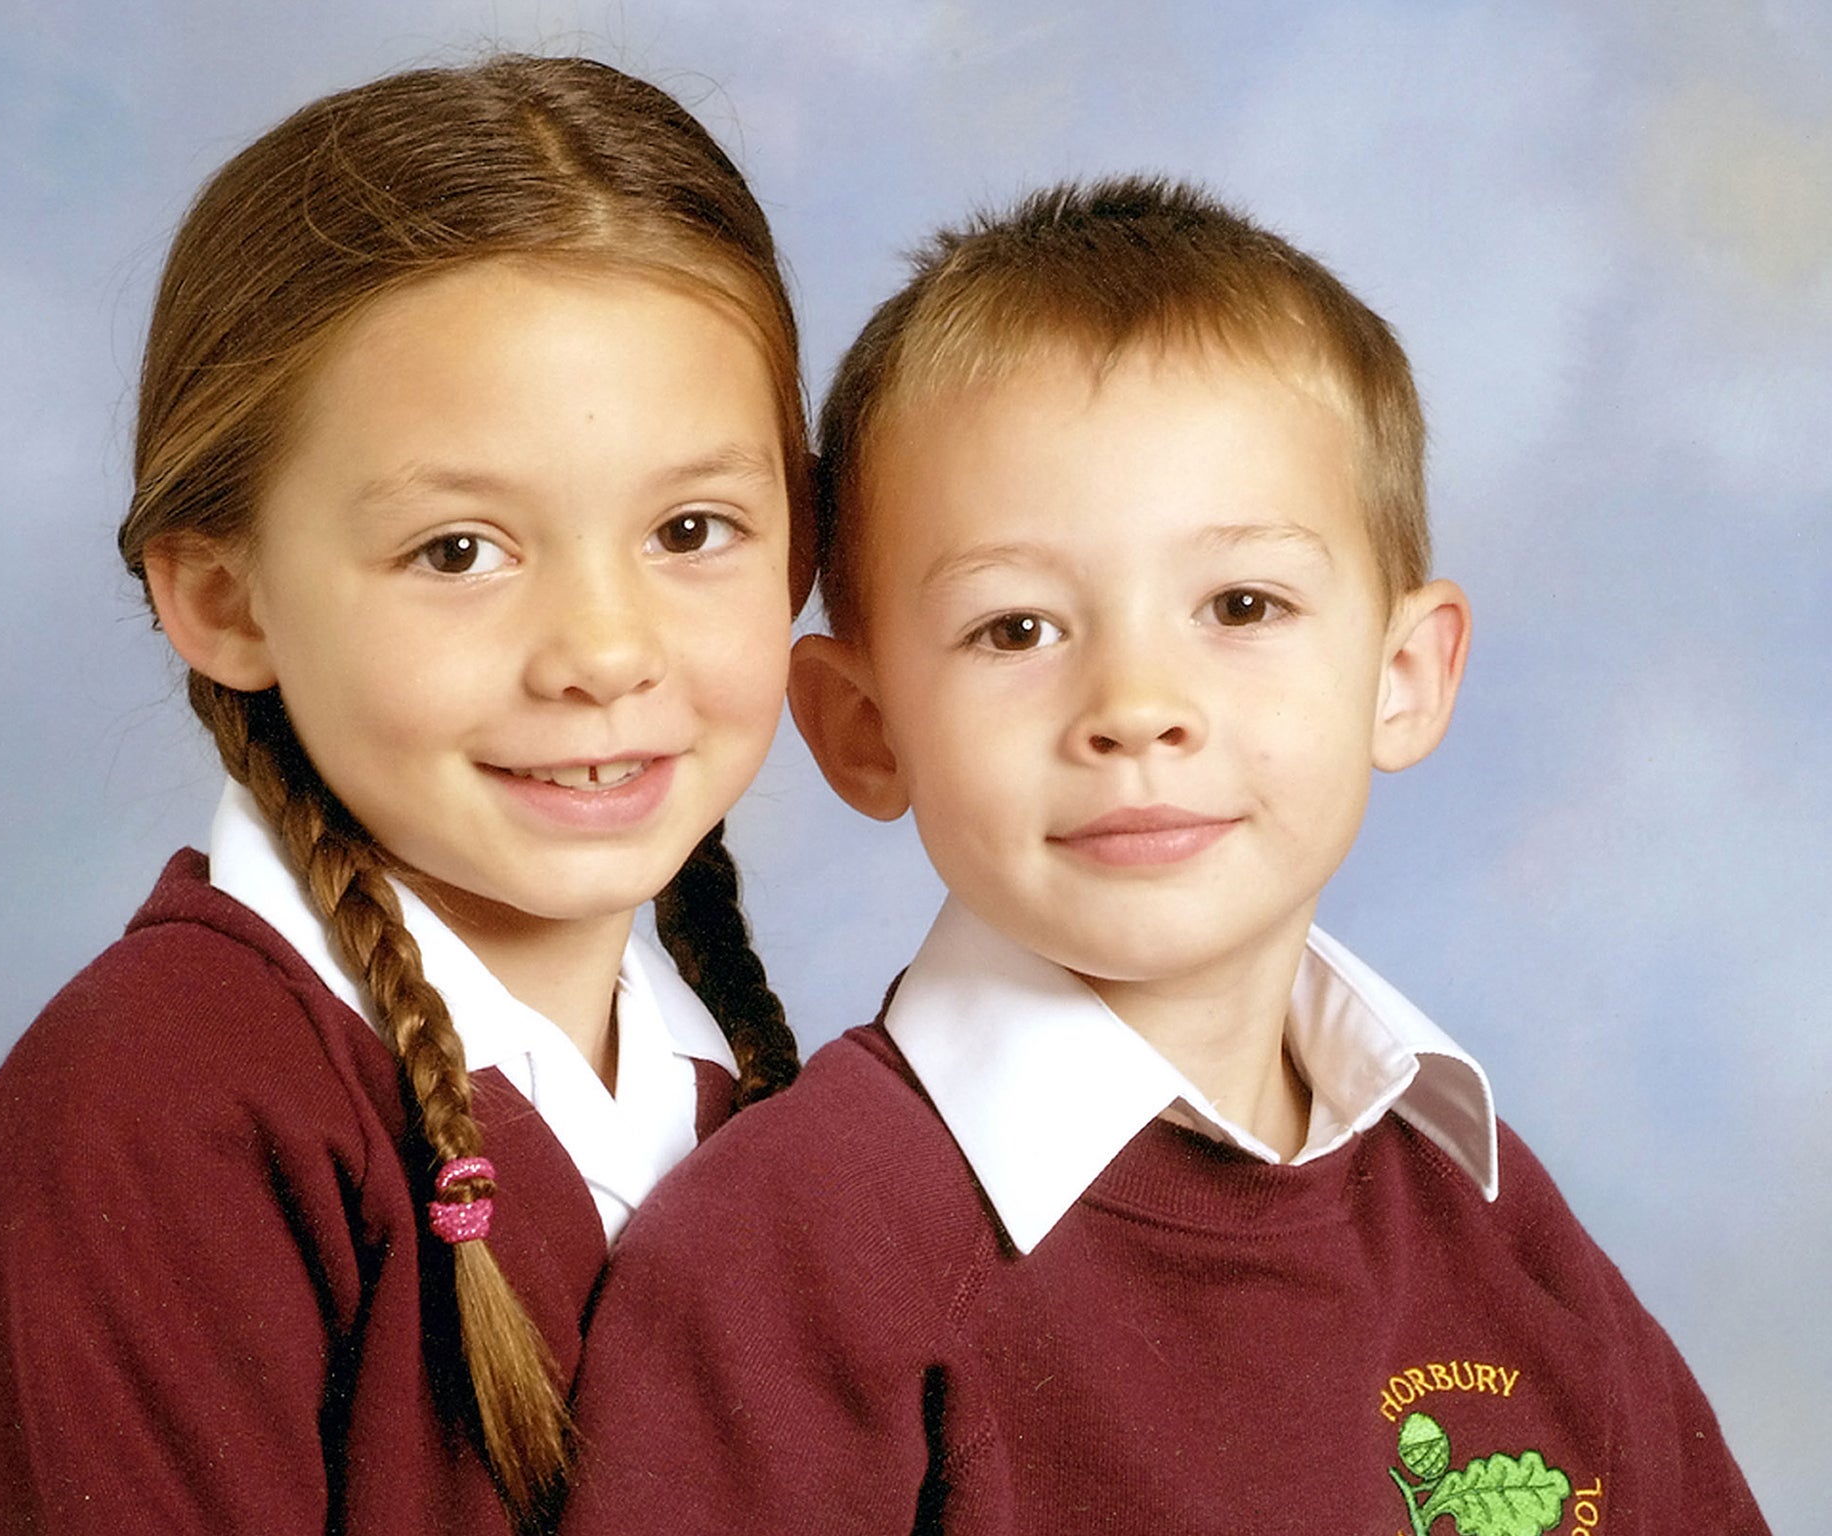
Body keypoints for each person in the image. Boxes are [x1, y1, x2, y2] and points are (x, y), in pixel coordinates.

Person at [560, 178, 1768, 1533]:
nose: (1136, 704)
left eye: (1241, 605)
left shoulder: (1490, 1219)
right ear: (865, 728)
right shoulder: (792, 1259)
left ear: (1403, 677)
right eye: (1015, 629)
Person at [0, 56, 808, 1536]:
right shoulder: (154, 1124)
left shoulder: (745, 1112)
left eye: (692, 527)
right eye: (459, 551)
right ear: (226, 598)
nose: (606, 653)